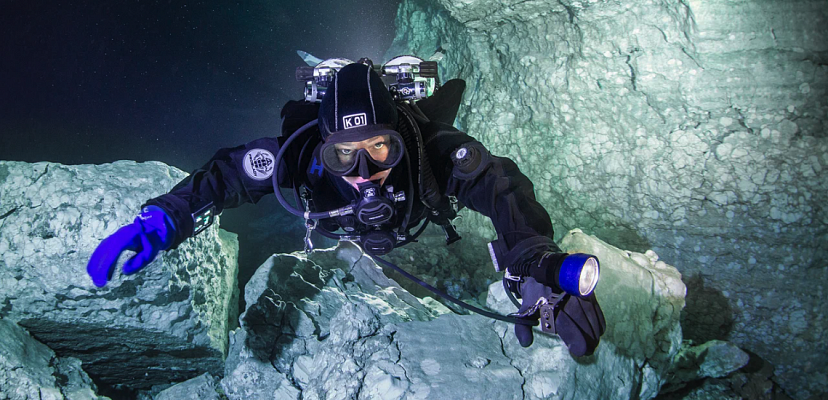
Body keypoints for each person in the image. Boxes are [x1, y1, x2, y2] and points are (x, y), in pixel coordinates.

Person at [86, 62, 605, 355]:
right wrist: (163, 220)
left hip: (419, 143)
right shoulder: (300, 160)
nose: (364, 169)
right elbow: (225, 176)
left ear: (400, 136)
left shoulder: (431, 152)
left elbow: (499, 186)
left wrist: (534, 258)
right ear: (323, 151)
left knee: (444, 118)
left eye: (380, 147)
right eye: (344, 154)